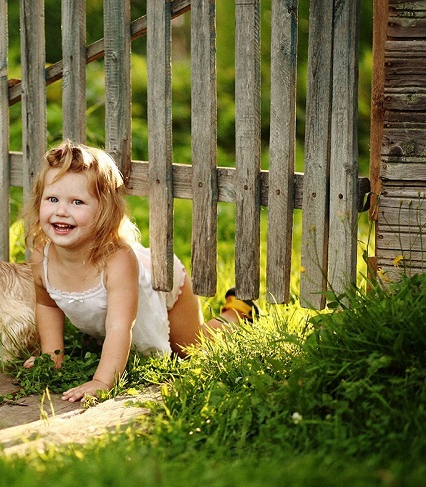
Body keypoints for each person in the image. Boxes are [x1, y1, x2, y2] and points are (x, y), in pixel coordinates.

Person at [21, 140, 257, 402]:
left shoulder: (116, 260)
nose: (61, 211)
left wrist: (102, 380)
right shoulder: (42, 256)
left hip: (160, 285)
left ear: (104, 212)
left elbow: (120, 325)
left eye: (77, 202)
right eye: (52, 199)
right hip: (123, 303)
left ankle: (237, 313)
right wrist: (52, 356)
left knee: (191, 348)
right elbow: (47, 306)